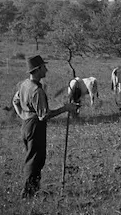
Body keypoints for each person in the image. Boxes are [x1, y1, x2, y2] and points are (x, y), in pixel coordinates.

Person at [12, 55, 77, 198]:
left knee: (32, 157)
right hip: (36, 127)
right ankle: (28, 193)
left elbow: (15, 101)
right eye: (43, 67)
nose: (46, 69)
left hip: (26, 125)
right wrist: (66, 108)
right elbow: (44, 115)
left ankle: (34, 190)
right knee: (36, 159)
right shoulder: (37, 91)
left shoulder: (23, 85)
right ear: (38, 69)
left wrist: (23, 116)